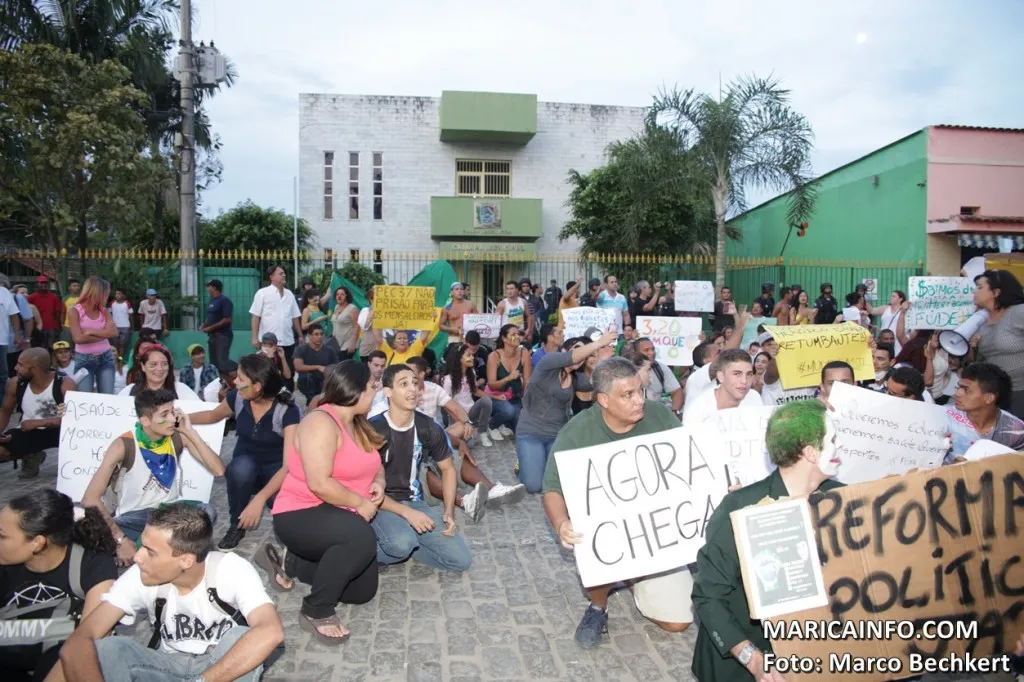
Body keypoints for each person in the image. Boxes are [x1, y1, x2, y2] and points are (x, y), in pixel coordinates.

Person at [543, 357, 692, 649]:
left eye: (640, 391)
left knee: (679, 621)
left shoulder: (660, 415)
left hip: (655, 532)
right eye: (628, 395)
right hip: (606, 532)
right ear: (604, 400)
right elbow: (552, 489)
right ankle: (599, 606)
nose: (640, 400)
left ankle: (635, 577)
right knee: (593, 544)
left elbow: (690, 460)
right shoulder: (576, 432)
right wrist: (561, 524)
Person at [691, 400, 843, 681]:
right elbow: (709, 596)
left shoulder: (843, 500)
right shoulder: (740, 508)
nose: (839, 448)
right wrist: (753, 658)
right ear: (810, 452)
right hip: (745, 662)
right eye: (832, 440)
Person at [58, 503, 283, 682]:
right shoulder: (140, 574)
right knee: (108, 649)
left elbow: (270, 632)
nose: (137, 557)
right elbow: (80, 640)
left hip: (221, 667)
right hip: (166, 665)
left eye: (150, 551)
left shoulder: (229, 569)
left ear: (185, 560)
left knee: (242, 638)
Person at [265, 361, 385, 644]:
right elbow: (319, 483)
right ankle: (316, 610)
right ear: (354, 389)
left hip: (333, 510)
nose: (375, 389)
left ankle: (290, 562)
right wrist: (360, 503)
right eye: (371, 385)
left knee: (362, 592)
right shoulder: (320, 422)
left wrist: (378, 482)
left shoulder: (356, 422)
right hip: (299, 511)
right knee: (360, 537)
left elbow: (376, 462)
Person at [79, 389, 224, 566]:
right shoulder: (123, 444)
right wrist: (120, 540)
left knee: (207, 512)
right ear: (145, 420)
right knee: (92, 536)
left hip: (166, 512)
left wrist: (190, 432)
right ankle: (160, 548)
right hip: (133, 518)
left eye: (173, 412)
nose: (172, 419)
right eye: (165, 414)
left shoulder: (178, 437)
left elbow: (218, 470)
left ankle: (151, 549)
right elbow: (90, 499)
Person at [0, 490, 116, 682]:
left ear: (38, 543)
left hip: (62, 665)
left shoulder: (91, 565)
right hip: (11, 656)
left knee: (64, 655)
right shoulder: (6, 565)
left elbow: (91, 640)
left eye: (2, 536)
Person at [191, 354, 301, 550]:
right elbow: (212, 415)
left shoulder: (287, 410)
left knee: (279, 501)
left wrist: (259, 500)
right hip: (245, 465)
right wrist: (181, 418)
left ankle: (285, 529)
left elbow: (288, 465)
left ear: (257, 386)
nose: (234, 381)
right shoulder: (238, 398)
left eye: (241, 379)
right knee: (241, 468)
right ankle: (236, 525)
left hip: (276, 470)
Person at [369, 364, 473, 571]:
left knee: (460, 561)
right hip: (381, 504)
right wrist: (406, 514)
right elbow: (364, 486)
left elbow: (448, 470)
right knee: (400, 544)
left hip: (415, 502)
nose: (412, 389)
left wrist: (449, 512)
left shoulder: (429, 427)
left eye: (415, 384)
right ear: (388, 392)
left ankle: (410, 544)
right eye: (404, 384)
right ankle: (368, 554)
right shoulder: (373, 429)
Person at [407, 356, 526, 521]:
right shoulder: (393, 401)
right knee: (421, 466)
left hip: (432, 437)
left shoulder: (431, 388)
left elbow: (453, 409)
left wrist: (467, 425)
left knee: (456, 446)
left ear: (421, 374)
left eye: (410, 373)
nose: (407, 378)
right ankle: (464, 500)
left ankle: (492, 490)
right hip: (410, 450)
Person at [516, 331, 616, 493]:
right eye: (577, 349)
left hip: (557, 435)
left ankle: (533, 462)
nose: (581, 355)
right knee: (534, 486)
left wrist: (601, 360)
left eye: (584, 353)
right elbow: (573, 357)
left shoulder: (576, 377)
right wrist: (597, 343)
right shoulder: (548, 362)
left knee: (557, 483)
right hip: (531, 433)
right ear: (564, 351)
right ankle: (522, 465)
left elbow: (598, 382)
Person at [0, 348, 76, 478]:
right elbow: (5, 411)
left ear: (34, 369)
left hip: (61, 431)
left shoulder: (65, 384)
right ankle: (31, 454)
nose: (15, 368)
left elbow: (77, 419)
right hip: (29, 431)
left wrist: (39, 423)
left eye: (21, 365)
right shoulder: (15, 383)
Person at [972, 269, 1024, 419]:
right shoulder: (980, 322)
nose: (974, 291)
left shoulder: (1018, 312)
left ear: (996, 292)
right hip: (996, 395)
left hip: (1020, 392)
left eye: (980, 287)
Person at [946, 361, 1024, 459]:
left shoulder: (1016, 431)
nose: (958, 393)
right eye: (958, 387)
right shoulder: (944, 416)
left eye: (966, 390)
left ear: (989, 398)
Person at [250, 265, 303, 383]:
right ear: (272, 277)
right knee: (267, 373)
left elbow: (295, 317)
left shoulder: (289, 294)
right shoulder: (262, 293)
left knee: (288, 373)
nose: (284, 275)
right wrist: (254, 338)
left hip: (288, 340)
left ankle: (287, 398)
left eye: (284, 273)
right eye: (280, 273)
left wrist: (299, 334)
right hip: (269, 343)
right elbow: (255, 316)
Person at [683, 349, 763, 425]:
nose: (744, 381)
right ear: (721, 376)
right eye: (737, 374)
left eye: (749, 374)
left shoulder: (754, 397)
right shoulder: (697, 409)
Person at [67, 276, 117, 394]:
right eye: (106, 294)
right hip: (84, 359)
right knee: (84, 398)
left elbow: (114, 332)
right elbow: (78, 338)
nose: (108, 297)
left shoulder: (103, 311)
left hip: (106, 357)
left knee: (107, 397)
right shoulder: (74, 311)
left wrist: (90, 332)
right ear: (98, 293)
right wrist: (104, 333)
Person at [440, 342, 495, 447]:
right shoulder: (448, 379)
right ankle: (467, 430)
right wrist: (463, 423)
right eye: (469, 355)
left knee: (486, 400)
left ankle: (482, 432)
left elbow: (475, 391)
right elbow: (446, 405)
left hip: (471, 413)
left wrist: (494, 397)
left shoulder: (472, 373)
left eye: (472, 355)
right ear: (459, 358)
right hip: (457, 417)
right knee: (469, 444)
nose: (472, 358)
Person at [485, 324, 530, 439]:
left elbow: (527, 381)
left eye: (518, 334)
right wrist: (508, 378)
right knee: (509, 411)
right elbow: (491, 384)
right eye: (513, 334)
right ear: (504, 338)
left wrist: (527, 402)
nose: (518, 337)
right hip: (496, 397)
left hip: (515, 397)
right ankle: (491, 425)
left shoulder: (524, 353)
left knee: (521, 430)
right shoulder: (494, 356)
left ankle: (504, 423)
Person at [120, 344, 200, 400]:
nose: (160, 368)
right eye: (153, 364)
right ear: (143, 367)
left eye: (164, 364)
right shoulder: (128, 391)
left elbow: (199, 409)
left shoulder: (181, 389)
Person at [633, 337, 683, 415]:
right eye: (646, 350)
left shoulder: (660, 368)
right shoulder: (626, 370)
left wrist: (675, 412)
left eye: (653, 349)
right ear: (636, 353)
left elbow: (676, 391)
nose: (652, 352)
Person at [200, 279, 235, 374]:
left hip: (223, 336)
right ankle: (220, 383)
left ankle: (241, 368)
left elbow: (227, 319)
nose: (207, 289)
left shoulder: (225, 301)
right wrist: (205, 324)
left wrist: (211, 328)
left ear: (214, 288)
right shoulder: (211, 301)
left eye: (208, 286)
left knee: (222, 362)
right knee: (214, 364)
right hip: (212, 336)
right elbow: (210, 316)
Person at [28, 276, 62, 350]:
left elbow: (58, 312)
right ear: (37, 284)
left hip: (52, 327)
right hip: (38, 328)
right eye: (41, 283)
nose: (44, 284)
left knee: (53, 348)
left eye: (45, 283)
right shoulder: (31, 297)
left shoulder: (54, 297)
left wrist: (58, 326)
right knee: (40, 348)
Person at [329, 286, 359, 360]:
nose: (339, 296)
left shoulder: (352, 308)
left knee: (343, 365)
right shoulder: (336, 307)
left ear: (347, 296)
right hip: (336, 343)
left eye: (342, 294)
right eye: (337, 294)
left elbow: (357, 327)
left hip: (348, 343)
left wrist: (353, 343)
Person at [108, 288, 134, 357]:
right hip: (115, 327)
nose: (117, 295)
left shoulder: (127, 304)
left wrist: (132, 327)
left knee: (122, 345)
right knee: (115, 345)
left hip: (125, 327)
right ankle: (116, 359)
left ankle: (120, 360)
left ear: (123, 295)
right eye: (116, 293)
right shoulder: (112, 303)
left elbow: (131, 317)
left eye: (119, 293)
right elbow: (109, 315)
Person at [60, 279, 81, 343]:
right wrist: (62, 323)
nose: (76, 287)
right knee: (68, 344)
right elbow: (63, 312)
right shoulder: (65, 299)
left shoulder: (82, 298)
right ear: (69, 288)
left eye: (77, 286)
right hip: (68, 326)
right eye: (74, 286)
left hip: (80, 325)